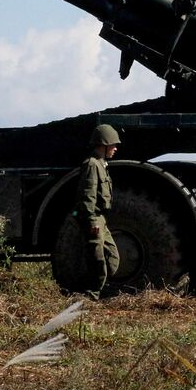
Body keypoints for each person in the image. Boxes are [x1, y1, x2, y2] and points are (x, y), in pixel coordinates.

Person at [78, 124, 121, 298]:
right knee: (97, 258)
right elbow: (87, 195)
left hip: (101, 218)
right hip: (94, 218)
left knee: (113, 257)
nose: (115, 149)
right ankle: (93, 294)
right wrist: (90, 220)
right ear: (103, 144)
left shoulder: (101, 165)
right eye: (113, 145)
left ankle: (100, 288)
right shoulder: (92, 165)